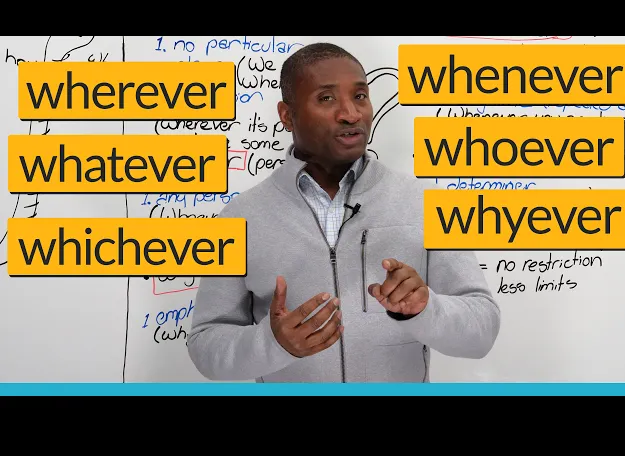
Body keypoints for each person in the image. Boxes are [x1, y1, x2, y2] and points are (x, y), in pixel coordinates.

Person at [187, 42, 501, 383]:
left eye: (360, 96)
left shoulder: (425, 202)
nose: (351, 114)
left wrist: (426, 308)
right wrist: (272, 344)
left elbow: (481, 332)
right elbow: (206, 345)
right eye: (326, 98)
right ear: (287, 115)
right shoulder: (241, 217)